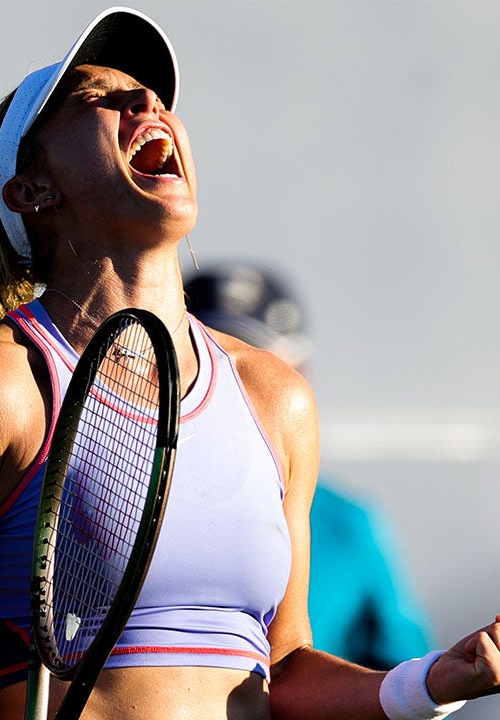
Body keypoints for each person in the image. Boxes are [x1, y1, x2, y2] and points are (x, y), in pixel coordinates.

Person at [0, 7, 500, 720]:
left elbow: (283, 669)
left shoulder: (276, 397)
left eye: (153, 97)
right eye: (96, 97)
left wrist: (428, 683)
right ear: (32, 190)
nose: (146, 101)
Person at [184, 261, 434, 670]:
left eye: (252, 364)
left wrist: (431, 684)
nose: (224, 384)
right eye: (206, 362)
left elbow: (402, 671)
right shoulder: (109, 501)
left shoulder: (345, 525)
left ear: (299, 377)